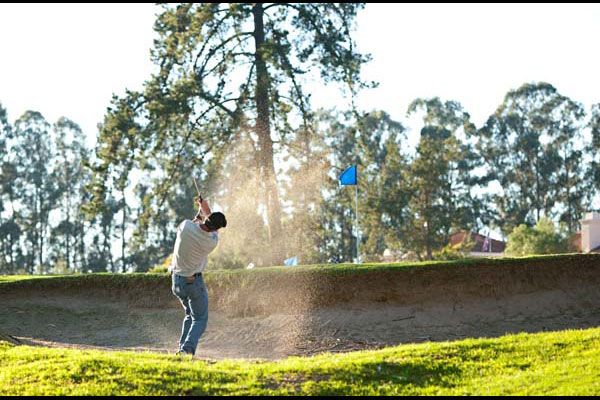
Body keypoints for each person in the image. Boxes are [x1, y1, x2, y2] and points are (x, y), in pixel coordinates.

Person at [170, 195, 227, 356]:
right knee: (200, 319)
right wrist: (204, 207)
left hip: (176, 281)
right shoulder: (211, 242)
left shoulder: (186, 227)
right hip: (192, 282)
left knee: (190, 315)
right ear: (217, 229)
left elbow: (199, 223)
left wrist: (202, 207)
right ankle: (187, 350)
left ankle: (183, 349)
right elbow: (209, 226)